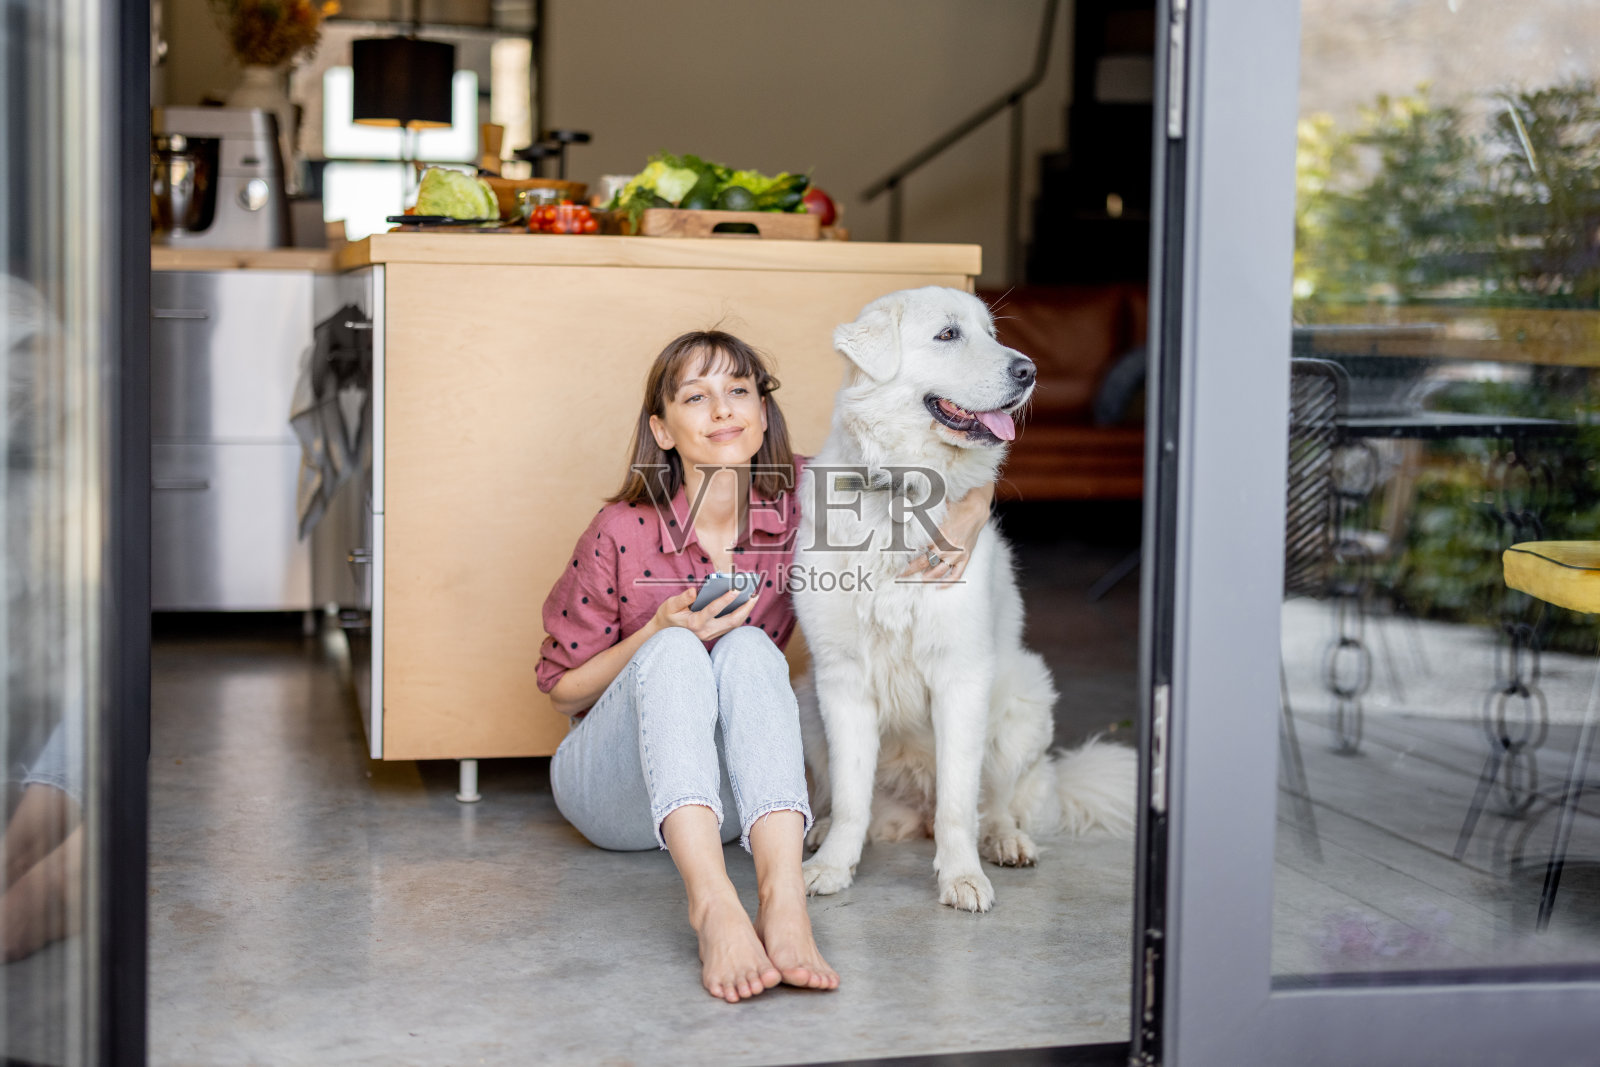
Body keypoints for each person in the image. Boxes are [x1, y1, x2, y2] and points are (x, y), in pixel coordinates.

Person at [535, 329, 994, 1003]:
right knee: (675, 650)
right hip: (612, 792)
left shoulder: (811, 494)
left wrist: (974, 509)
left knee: (750, 647)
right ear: (662, 429)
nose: (723, 408)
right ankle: (714, 906)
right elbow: (561, 691)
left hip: (728, 800)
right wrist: (658, 631)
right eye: (697, 397)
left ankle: (784, 903)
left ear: (762, 411)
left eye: (739, 390)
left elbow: (941, 466)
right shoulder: (621, 528)